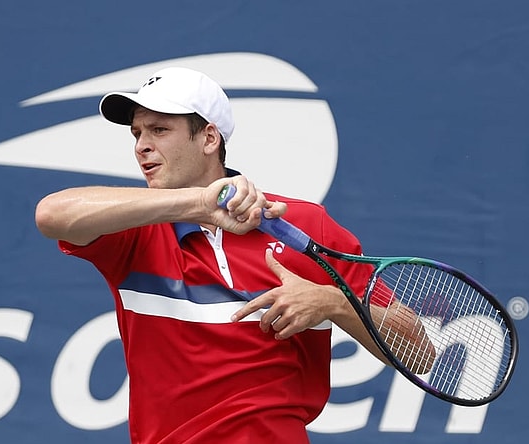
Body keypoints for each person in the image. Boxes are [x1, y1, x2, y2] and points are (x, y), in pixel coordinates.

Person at [35, 67, 407, 443]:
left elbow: (418, 352)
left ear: (209, 138)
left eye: (159, 130)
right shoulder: (133, 230)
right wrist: (199, 203)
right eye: (137, 133)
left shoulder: (306, 224)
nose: (141, 146)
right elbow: (51, 215)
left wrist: (332, 302)